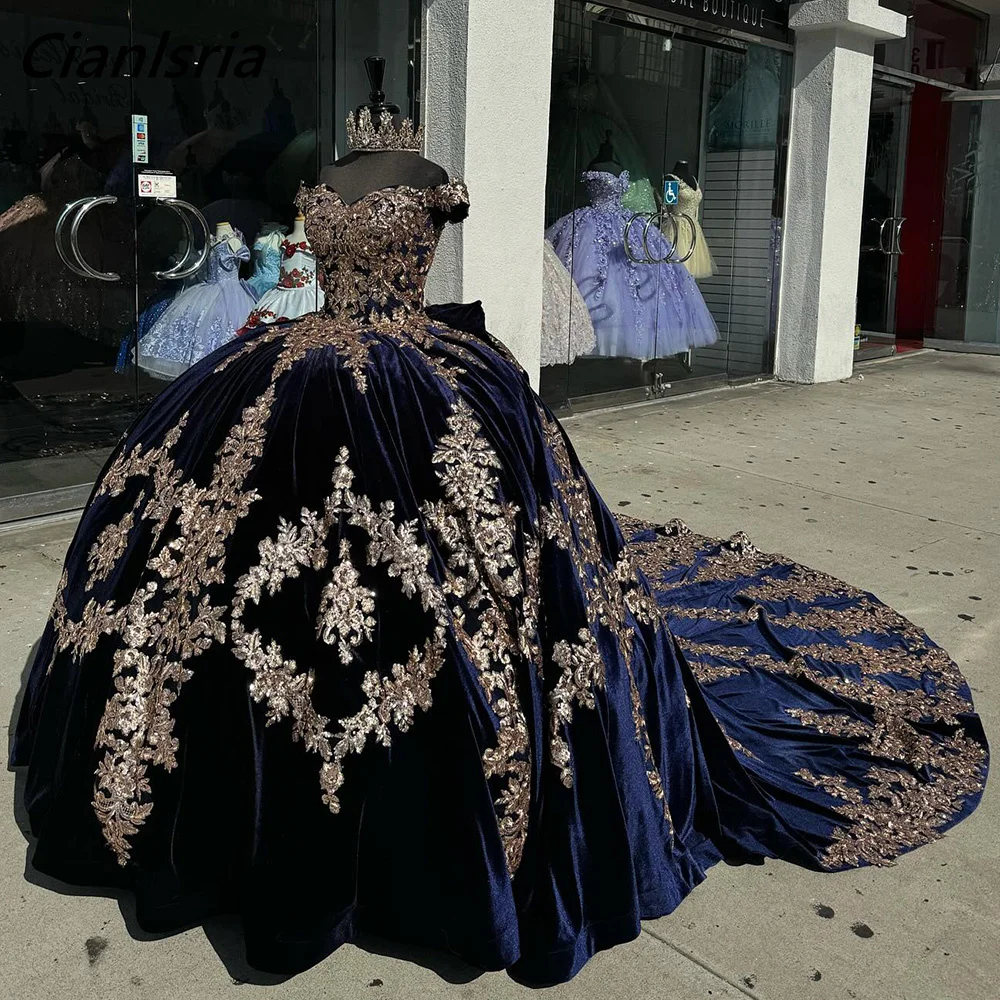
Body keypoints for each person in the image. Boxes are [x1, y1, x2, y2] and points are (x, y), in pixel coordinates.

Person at [12, 95, 987, 987]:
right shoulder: (393, 187)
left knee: (469, 570)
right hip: (358, 367)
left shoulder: (377, 188)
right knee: (237, 548)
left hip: (354, 366)